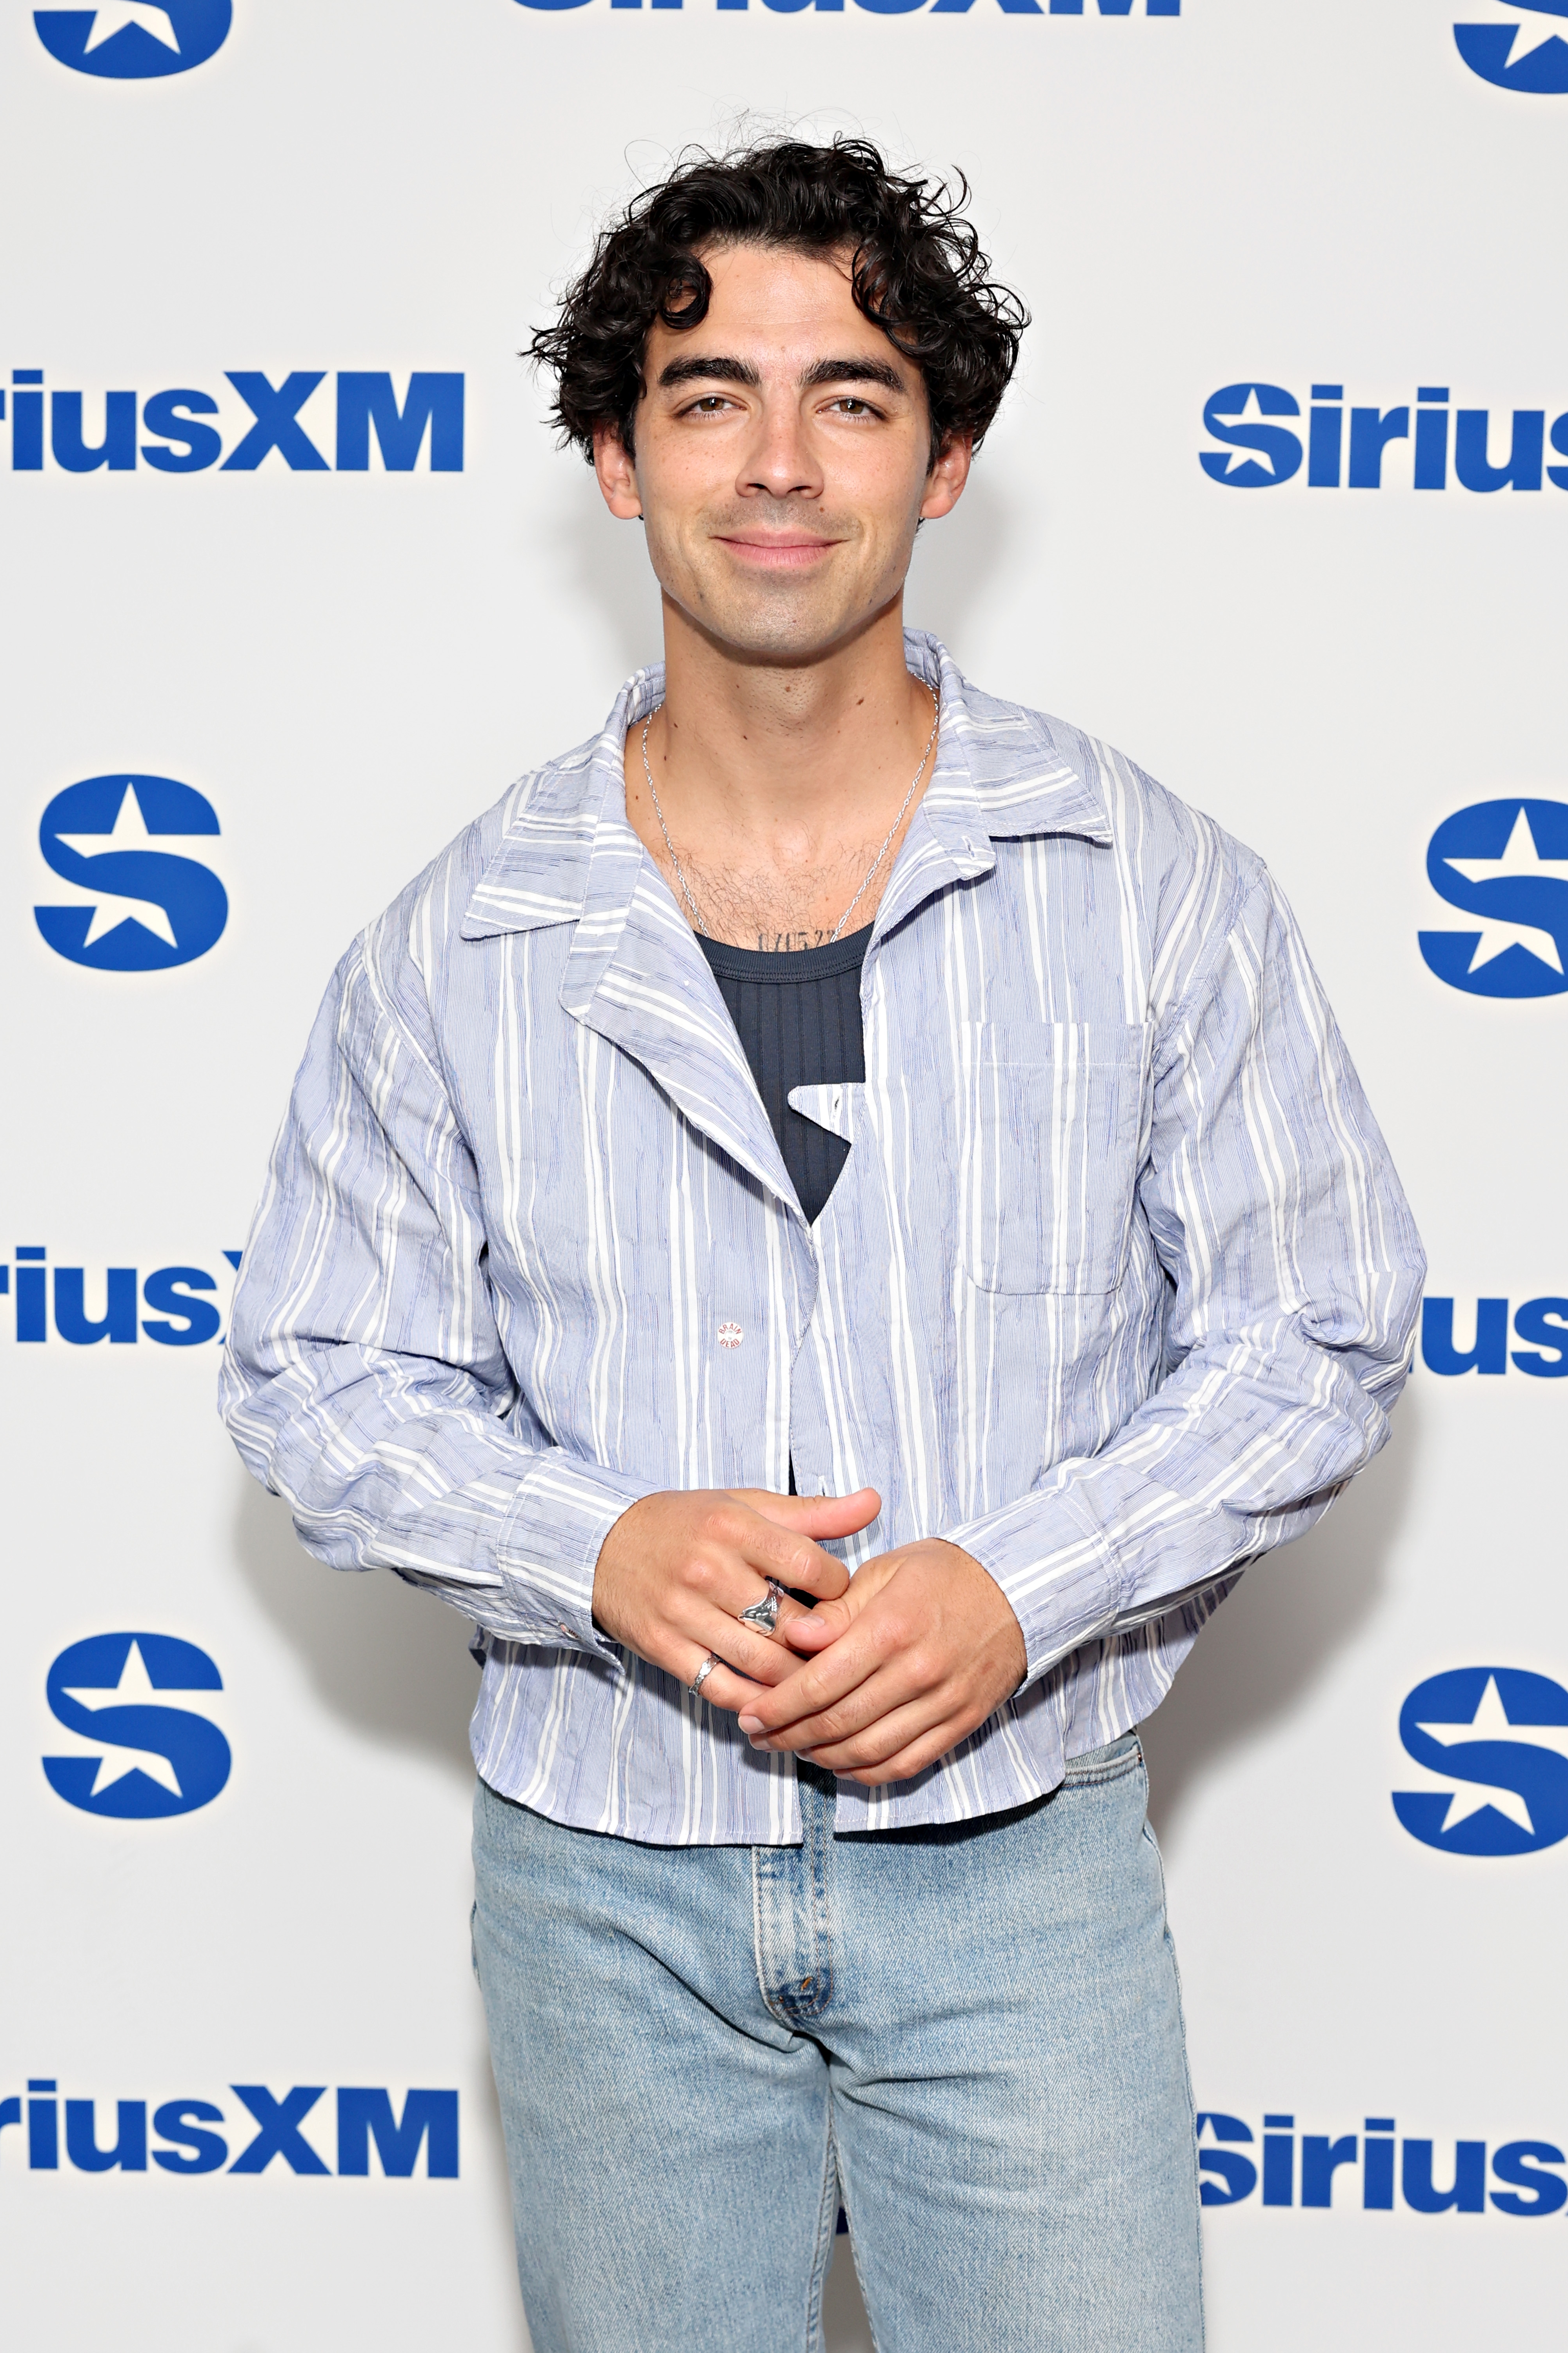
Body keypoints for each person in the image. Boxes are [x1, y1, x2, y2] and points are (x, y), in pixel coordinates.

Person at [220, 138, 1424, 2353]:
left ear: (946, 459)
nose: (780, 463)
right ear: (615, 455)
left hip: (1020, 1874)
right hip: (603, 1891)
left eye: (852, 398)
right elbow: (316, 1372)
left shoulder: (1146, 882)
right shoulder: (458, 935)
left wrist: (1018, 1583)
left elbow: (1320, 1326)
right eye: (707, 397)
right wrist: (591, 1543)